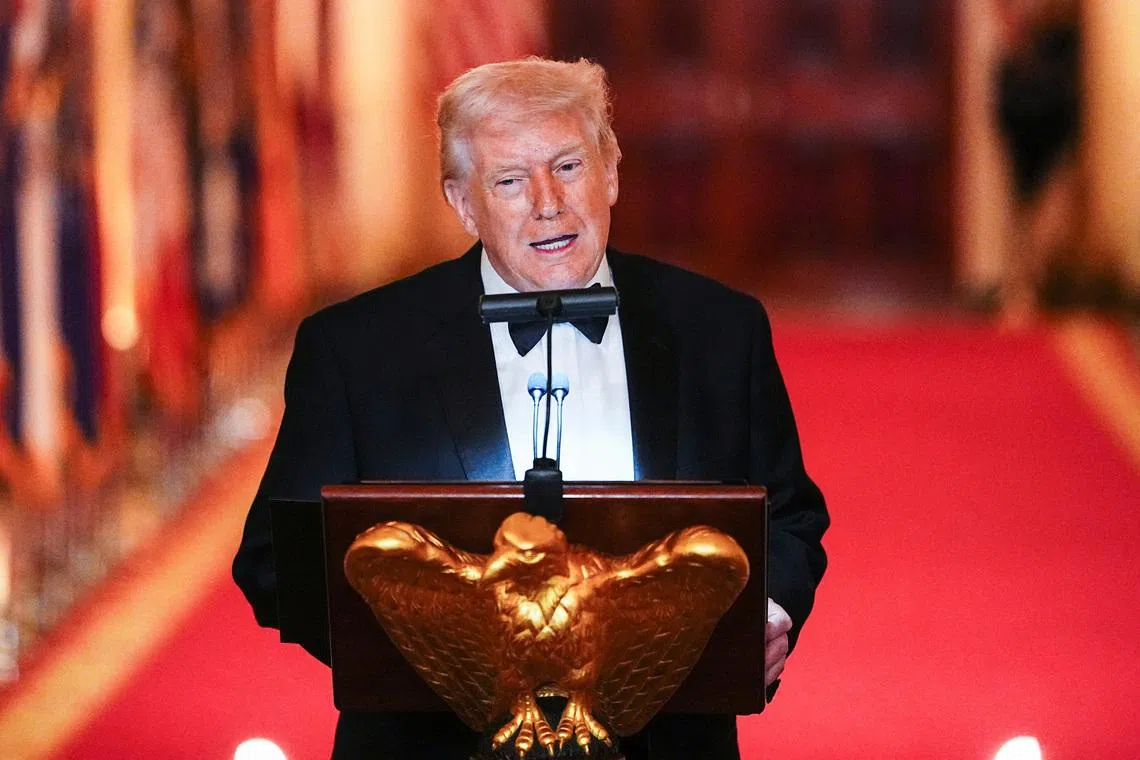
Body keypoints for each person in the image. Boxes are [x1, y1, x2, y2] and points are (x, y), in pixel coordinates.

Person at [233, 57, 828, 760]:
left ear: (611, 172)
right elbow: (278, 560)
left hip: (668, 738)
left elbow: (788, 515)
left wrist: (765, 616)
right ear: (461, 201)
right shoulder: (354, 350)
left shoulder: (719, 330)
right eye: (509, 181)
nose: (547, 202)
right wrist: (426, 659)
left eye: (569, 167)